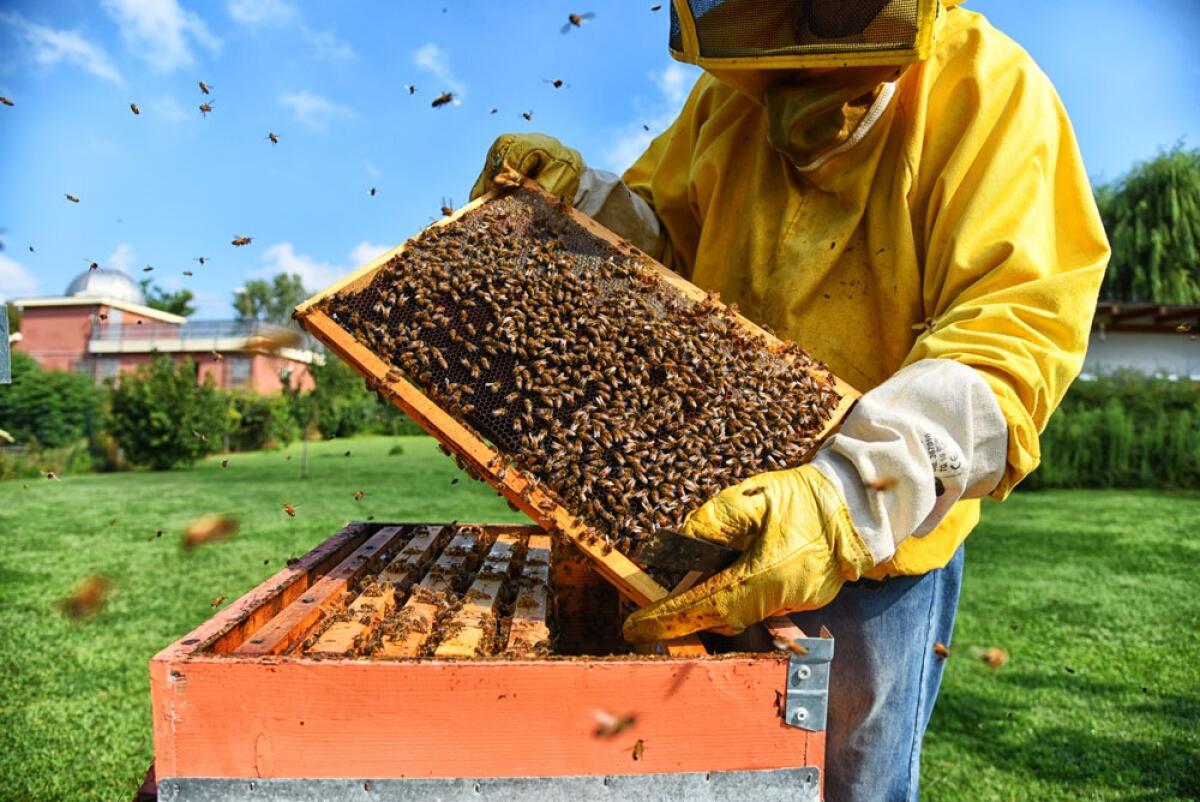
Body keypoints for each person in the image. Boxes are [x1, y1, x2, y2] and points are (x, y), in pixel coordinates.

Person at [471, 1, 1109, 798]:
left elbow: (1013, 332)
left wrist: (850, 494)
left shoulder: (988, 90)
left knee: (847, 783)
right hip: (709, 518)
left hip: (869, 546)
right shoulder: (729, 100)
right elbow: (666, 259)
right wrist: (586, 210)